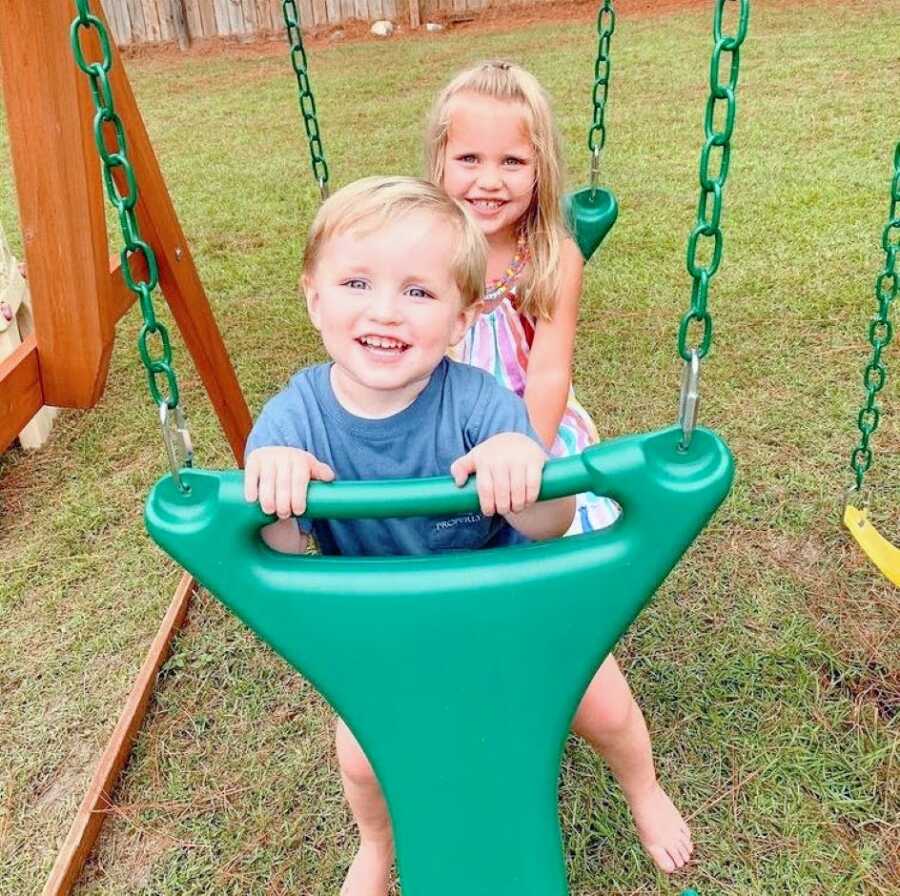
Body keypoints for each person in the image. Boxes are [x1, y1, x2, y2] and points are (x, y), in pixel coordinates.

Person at [243, 175, 575, 895]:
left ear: (460, 321)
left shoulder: (479, 400)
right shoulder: (293, 420)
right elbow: (281, 557)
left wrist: (525, 472)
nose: (386, 311)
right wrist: (275, 499)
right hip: (380, 626)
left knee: (592, 699)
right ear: (314, 297)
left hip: (498, 605)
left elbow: (555, 526)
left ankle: (643, 789)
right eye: (357, 282)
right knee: (363, 754)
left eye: (420, 293)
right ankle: (376, 844)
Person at [426, 61, 694, 874]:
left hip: (530, 441)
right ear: (438, 160)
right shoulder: (422, 244)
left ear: (541, 167)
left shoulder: (552, 254)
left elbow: (547, 373)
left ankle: (641, 782)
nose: (489, 180)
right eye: (468, 159)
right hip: (437, 444)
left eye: (512, 161)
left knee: (563, 628)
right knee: (438, 600)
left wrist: (523, 453)